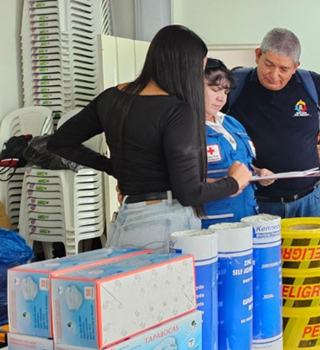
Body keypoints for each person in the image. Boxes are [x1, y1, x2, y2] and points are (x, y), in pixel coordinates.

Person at [47, 25, 252, 252]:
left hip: (125, 221)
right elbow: (189, 193)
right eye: (199, 66)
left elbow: (60, 141)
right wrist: (234, 183)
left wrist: (112, 166)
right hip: (166, 225)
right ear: (185, 66)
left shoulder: (111, 98)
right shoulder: (178, 111)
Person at [227, 28, 320, 218]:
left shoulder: (310, 83)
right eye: (268, 64)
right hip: (257, 202)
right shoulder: (235, 84)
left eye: (284, 69)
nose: (274, 74)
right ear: (258, 55)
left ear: (295, 67)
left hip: (309, 201)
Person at [201, 58, 274, 227]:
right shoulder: (187, 129)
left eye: (225, 92)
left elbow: (244, 163)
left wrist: (257, 173)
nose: (221, 99)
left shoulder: (231, 123)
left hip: (246, 217)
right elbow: (185, 183)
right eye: (215, 90)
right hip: (213, 222)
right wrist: (228, 184)